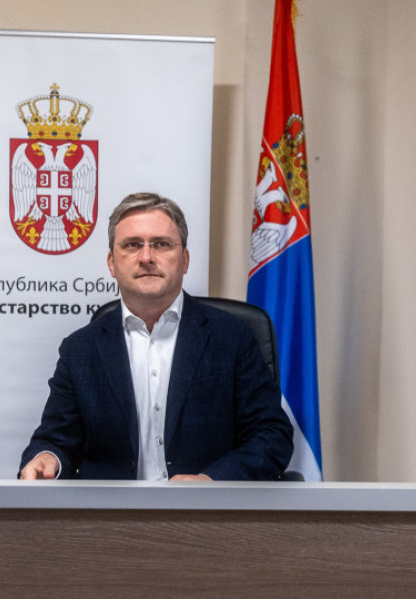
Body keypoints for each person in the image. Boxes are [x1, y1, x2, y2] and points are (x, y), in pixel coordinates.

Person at [19, 193, 293, 481]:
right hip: (110, 508)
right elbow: (56, 440)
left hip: (205, 506)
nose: (147, 257)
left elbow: (271, 435)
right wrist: (47, 457)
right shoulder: (80, 349)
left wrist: (211, 481)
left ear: (184, 260)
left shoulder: (233, 337)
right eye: (132, 245)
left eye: (161, 244)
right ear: (112, 263)